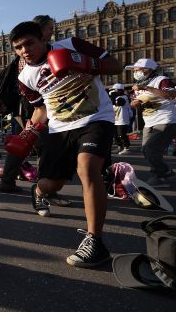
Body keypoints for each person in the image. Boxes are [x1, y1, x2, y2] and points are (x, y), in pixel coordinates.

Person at [8, 20, 121, 268]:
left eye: (30, 43)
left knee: (88, 168)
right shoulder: (25, 76)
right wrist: (28, 134)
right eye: (18, 47)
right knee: (53, 183)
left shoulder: (72, 45)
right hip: (59, 128)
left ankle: (95, 242)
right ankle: (38, 191)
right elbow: (40, 110)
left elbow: (116, 66)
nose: (25, 50)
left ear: (42, 39)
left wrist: (89, 64)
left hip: (95, 118)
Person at [0, 14, 54, 193]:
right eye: (49, 29)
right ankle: (47, 190)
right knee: (42, 144)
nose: (51, 33)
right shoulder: (30, 57)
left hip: (26, 105)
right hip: (30, 105)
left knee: (24, 142)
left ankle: (7, 181)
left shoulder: (34, 52)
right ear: (39, 31)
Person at [127, 58, 176, 186]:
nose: (134, 72)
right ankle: (162, 175)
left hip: (166, 119)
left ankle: (162, 173)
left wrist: (146, 87)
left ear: (147, 70)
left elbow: (170, 95)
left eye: (136, 70)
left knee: (151, 148)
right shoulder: (138, 85)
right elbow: (134, 104)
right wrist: (134, 103)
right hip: (149, 121)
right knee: (146, 150)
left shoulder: (161, 80)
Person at [111, 83, 132, 154]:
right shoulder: (115, 97)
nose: (113, 91)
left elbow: (120, 103)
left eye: (115, 90)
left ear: (120, 90)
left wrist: (113, 97)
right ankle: (119, 147)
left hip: (122, 119)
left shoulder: (124, 97)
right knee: (115, 135)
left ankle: (126, 148)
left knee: (122, 134)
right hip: (115, 119)